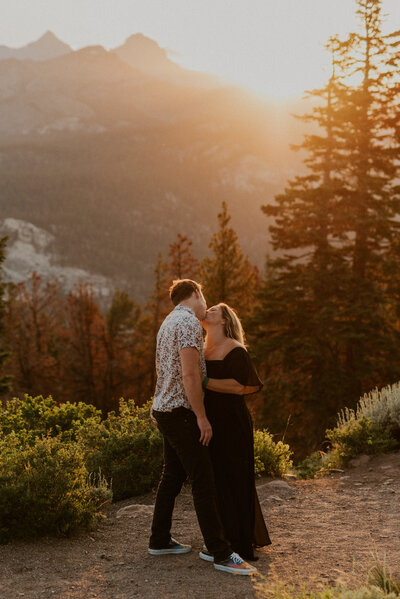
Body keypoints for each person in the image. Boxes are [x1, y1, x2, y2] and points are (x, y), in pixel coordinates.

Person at [148, 279, 256, 575]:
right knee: (203, 479)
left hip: (164, 409)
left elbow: (162, 367)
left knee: (171, 476)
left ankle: (159, 539)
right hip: (181, 412)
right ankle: (222, 553)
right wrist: (201, 416)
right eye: (204, 296)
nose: (205, 304)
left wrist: (157, 401)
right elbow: (190, 374)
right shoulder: (188, 324)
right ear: (196, 293)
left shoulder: (168, 321)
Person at [199, 302, 271, 562]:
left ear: (224, 321)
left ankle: (239, 541)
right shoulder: (202, 347)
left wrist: (205, 381)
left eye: (215, 310)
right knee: (215, 479)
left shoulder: (235, 349)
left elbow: (240, 387)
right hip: (209, 420)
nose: (208, 311)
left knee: (235, 476)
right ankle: (220, 538)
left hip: (232, 422)